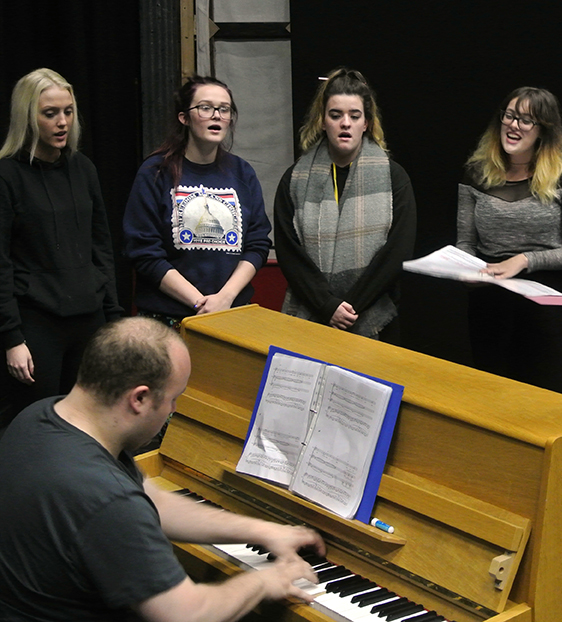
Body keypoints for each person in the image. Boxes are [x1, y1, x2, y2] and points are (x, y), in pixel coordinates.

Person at [0, 317, 325, 620]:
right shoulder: (104, 497)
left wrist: (260, 530)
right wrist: (266, 581)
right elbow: (187, 614)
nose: (174, 410)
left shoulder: (43, 416)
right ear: (139, 398)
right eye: (174, 398)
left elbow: (152, 500)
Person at [0, 68, 121, 436]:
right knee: (33, 429)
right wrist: (12, 339)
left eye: (68, 111)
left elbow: (102, 246)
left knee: (88, 428)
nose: (62, 122)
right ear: (28, 116)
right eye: (50, 113)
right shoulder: (7, 175)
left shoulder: (83, 168)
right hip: (36, 326)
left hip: (88, 320)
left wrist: (112, 320)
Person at [457, 86, 562, 394]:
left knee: (543, 391)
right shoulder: (475, 172)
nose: (514, 125)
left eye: (526, 120)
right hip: (490, 298)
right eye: (509, 115)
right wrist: (467, 268)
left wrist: (525, 260)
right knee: (492, 390)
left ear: (543, 129)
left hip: (545, 297)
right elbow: (465, 241)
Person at [274, 67, 416, 343]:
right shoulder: (294, 178)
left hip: (375, 318)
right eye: (335, 115)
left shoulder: (394, 177)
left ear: (366, 123)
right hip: (311, 317)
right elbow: (288, 252)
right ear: (323, 121)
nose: (345, 123)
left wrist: (349, 307)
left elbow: (398, 251)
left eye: (354, 115)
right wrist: (326, 306)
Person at [123, 76, 271, 329]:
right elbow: (143, 250)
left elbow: (257, 244)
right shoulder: (155, 172)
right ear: (184, 117)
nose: (216, 115)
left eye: (224, 109)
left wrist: (224, 299)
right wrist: (199, 304)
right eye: (205, 107)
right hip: (166, 321)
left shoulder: (242, 172)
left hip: (231, 314)